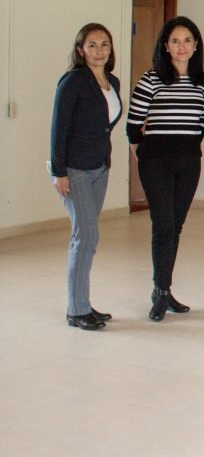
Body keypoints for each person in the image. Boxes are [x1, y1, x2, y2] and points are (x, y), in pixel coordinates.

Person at [127, 16, 204, 322]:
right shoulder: (151, 79)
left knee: (175, 227)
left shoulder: (203, 83)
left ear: (196, 45)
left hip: (188, 162)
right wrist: (144, 155)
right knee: (162, 226)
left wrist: (185, 150)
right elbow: (133, 126)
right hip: (155, 162)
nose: (181, 46)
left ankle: (164, 288)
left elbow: (202, 125)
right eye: (175, 41)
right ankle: (160, 291)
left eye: (187, 40)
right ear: (165, 46)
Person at [50, 23, 123, 331]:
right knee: (86, 236)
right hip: (74, 169)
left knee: (88, 236)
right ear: (80, 49)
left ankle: (83, 302)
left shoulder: (112, 81)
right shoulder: (73, 81)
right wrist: (59, 172)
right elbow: (59, 128)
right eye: (92, 45)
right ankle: (76, 310)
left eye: (104, 44)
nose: (99, 50)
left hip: (99, 167)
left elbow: (105, 124)